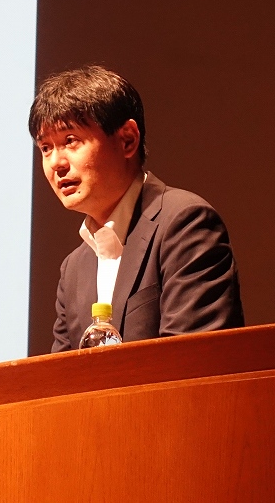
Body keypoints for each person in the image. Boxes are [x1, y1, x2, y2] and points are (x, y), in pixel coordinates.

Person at [29, 65, 244, 352]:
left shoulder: (184, 224)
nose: (56, 163)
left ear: (127, 140)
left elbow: (192, 361)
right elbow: (64, 375)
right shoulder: (74, 268)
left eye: (71, 141)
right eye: (46, 148)